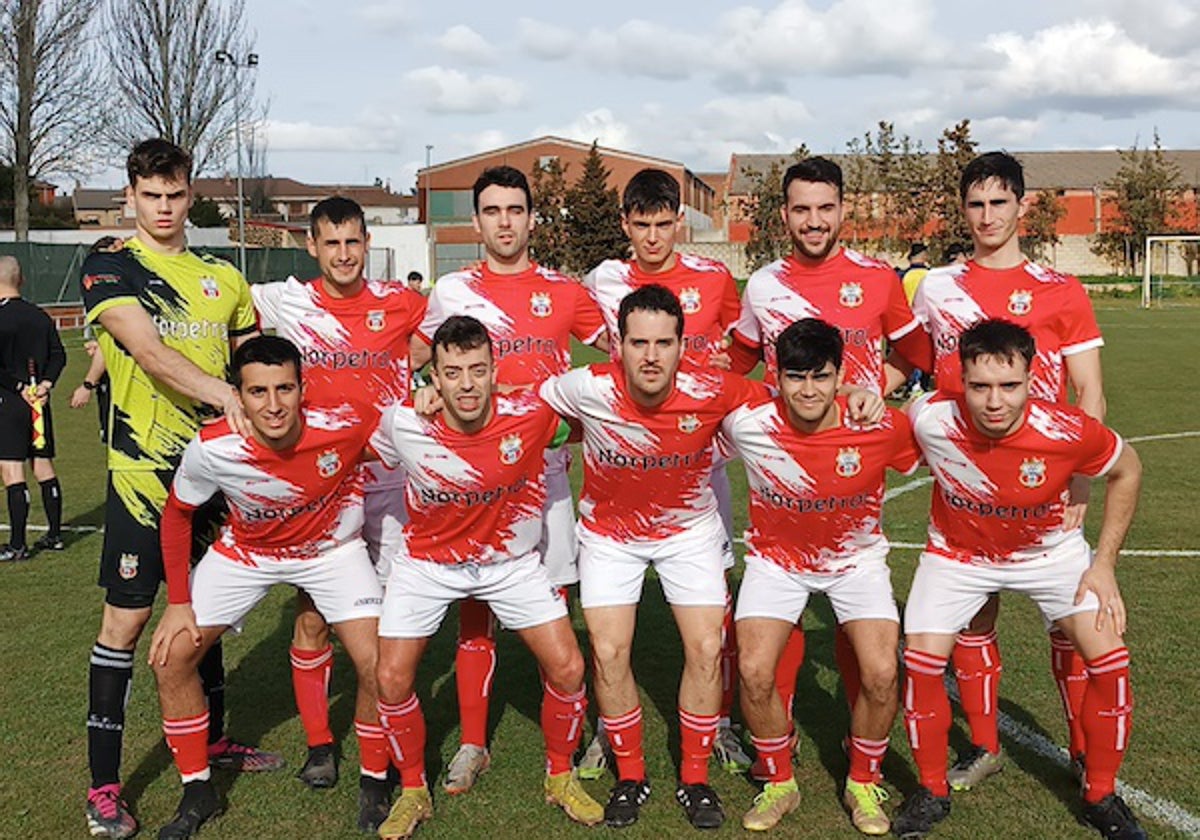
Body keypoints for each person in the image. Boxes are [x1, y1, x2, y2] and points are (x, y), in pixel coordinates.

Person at [79, 138, 279, 840]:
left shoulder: (223, 276)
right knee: (127, 623)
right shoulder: (111, 265)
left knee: (209, 608)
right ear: (131, 197)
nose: (164, 208)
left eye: (175, 195)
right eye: (151, 196)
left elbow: (255, 359)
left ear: (191, 196)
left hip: (216, 471)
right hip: (143, 475)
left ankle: (214, 738)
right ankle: (103, 787)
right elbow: (151, 354)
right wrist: (230, 395)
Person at [892, 319, 1144, 840]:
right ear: (960, 381)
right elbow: (880, 437)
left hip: (1051, 555)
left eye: (1009, 386)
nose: (994, 402)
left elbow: (1129, 470)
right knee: (919, 664)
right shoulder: (931, 417)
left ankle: (1101, 794)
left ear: (1033, 378)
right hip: (957, 557)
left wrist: (1103, 565)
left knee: (1112, 662)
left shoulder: (1068, 429)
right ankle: (932, 790)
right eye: (979, 386)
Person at [910, 151, 1106, 791]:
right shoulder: (939, 288)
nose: (988, 216)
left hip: (1046, 483)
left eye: (1000, 202)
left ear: (1022, 205)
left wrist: (1078, 477)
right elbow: (911, 363)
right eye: (976, 203)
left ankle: (1082, 747)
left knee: (1068, 623)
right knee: (974, 617)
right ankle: (986, 746)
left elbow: (1091, 393)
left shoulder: (1060, 290)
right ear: (963, 211)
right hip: (966, 484)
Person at [409, 164, 607, 794]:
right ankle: (472, 743)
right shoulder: (449, 290)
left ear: (530, 217)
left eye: (515, 210)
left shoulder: (565, 290)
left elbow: (624, 354)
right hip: (475, 480)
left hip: (544, 475)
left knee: (559, 608)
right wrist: (420, 390)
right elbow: (413, 361)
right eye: (492, 211)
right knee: (475, 609)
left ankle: (574, 734)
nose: (504, 222)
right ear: (477, 220)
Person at [539, 284, 765, 830]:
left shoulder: (715, 388)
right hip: (610, 534)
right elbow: (527, 406)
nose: (651, 355)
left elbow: (786, 403)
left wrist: (855, 393)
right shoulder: (584, 387)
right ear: (616, 344)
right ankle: (632, 775)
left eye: (664, 342)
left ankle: (694, 778)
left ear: (683, 346)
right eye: (638, 342)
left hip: (688, 531)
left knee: (707, 648)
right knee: (611, 652)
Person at [728, 155, 933, 752]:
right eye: (801, 209)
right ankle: (779, 743)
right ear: (785, 214)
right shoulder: (763, 286)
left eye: (824, 208)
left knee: (854, 602)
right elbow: (736, 365)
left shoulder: (876, 279)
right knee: (779, 609)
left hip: (855, 460)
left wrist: (877, 395)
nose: (813, 221)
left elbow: (918, 355)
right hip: (783, 467)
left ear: (842, 210)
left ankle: (857, 747)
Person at [147, 335, 387, 838]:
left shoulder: (346, 421)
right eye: (258, 392)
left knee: (377, 664)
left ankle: (374, 776)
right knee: (171, 656)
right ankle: (198, 791)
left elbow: (411, 428)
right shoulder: (213, 446)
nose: (274, 405)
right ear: (239, 393)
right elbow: (176, 517)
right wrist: (177, 602)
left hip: (331, 554)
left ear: (304, 389)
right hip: (247, 555)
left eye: (285, 389)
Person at [372, 315, 603, 839]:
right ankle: (412, 789)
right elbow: (366, 452)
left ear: (495, 370)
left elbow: (596, 419)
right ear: (434, 377)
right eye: (452, 373)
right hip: (428, 565)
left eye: (478, 370)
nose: (468, 384)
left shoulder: (532, 415)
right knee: (390, 678)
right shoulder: (405, 421)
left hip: (510, 566)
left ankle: (560, 777)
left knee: (567, 667)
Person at [250, 196, 427, 790]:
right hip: (325, 487)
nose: (344, 254)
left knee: (390, 626)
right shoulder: (287, 300)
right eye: (332, 243)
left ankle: (386, 740)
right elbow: (222, 306)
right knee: (311, 620)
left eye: (353, 242)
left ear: (367, 243)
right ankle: (320, 744)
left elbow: (450, 347)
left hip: (394, 484)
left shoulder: (402, 303)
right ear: (312, 246)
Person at [580, 167, 749, 776]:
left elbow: (739, 350)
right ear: (625, 223)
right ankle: (608, 727)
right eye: (641, 224)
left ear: (680, 221)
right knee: (609, 633)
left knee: (712, 612)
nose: (653, 237)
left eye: (663, 224)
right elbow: (594, 349)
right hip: (626, 459)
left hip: (698, 463)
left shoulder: (713, 277)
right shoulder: (603, 279)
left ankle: (721, 723)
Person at [722, 318, 920, 835]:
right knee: (755, 672)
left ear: (840, 376)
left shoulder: (880, 427)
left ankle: (862, 780)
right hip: (776, 563)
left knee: (880, 672)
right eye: (795, 377)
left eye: (821, 377)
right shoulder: (747, 423)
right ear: (777, 377)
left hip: (856, 564)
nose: (808, 390)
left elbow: (937, 442)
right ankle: (779, 782)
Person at [0, 255, 66, 561]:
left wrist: (18, 388)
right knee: (42, 464)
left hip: (10, 402)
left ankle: (17, 544)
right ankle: (54, 535)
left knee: (12, 468)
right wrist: (46, 384)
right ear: (21, 280)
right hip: (39, 401)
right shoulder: (40, 316)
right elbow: (58, 355)